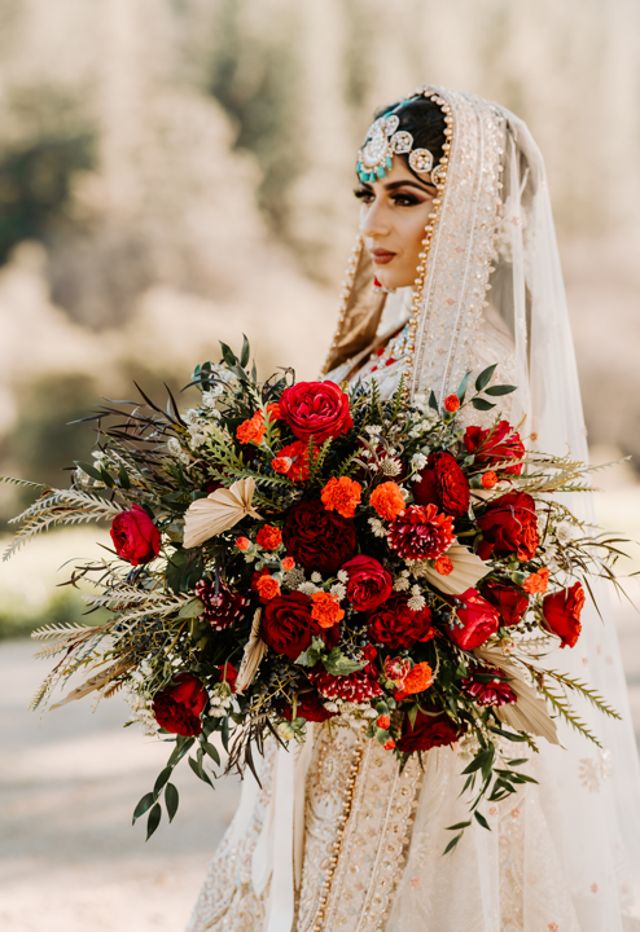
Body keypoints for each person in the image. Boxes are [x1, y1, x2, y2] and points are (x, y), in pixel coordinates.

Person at [188, 86, 640, 931]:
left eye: (404, 198)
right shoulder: (388, 348)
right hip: (354, 696)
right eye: (368, 196)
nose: (374, 227)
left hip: (421, 716)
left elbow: (478, 561)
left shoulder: (481, 366)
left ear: (473, 210)